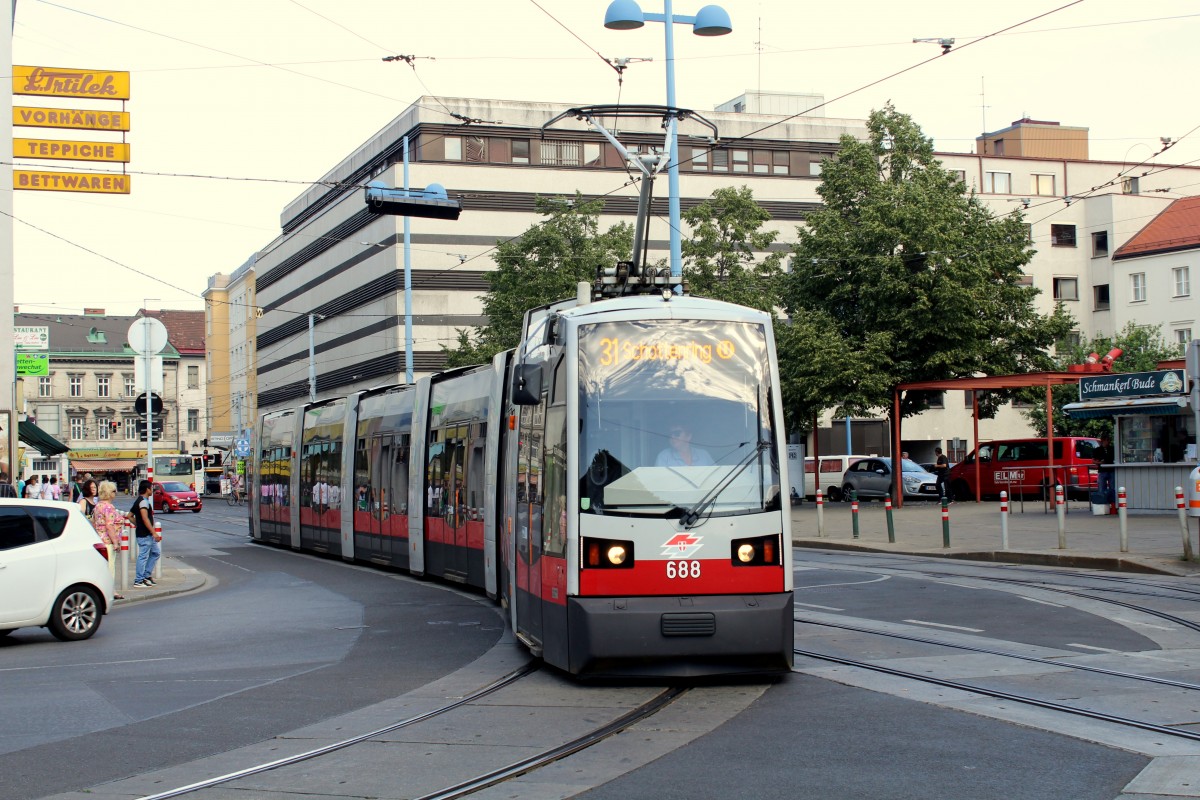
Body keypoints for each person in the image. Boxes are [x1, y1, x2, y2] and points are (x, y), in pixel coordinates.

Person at [92, 481, 125, 599]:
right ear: (109, 493)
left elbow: (94, 522)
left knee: (102, 566)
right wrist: (115, 542)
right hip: (108, 541)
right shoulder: (109, 507)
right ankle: (111, 590)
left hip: (99, 539)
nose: (115, 494)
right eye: (113, 491)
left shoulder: (98, 506)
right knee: (110, 566)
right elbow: (109, 525)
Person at [130, 479, 161, 588]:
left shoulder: (139, 501)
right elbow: (145, 518)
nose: (152, 490)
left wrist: (138, 523)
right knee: (143, 556)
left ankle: (146, 576)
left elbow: (129, 516)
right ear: (147, 489)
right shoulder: (143, 502)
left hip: (145, 533)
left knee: (156, 552)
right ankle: (139, 580)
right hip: (145, 535)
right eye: (151, 488)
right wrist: (154, 533)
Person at [1094, 435, 1115, 504]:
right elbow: (1093, 461)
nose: (1108, 442)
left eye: (1109, 440)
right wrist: (1100, 462)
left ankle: (1112, 503)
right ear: (1103, 440)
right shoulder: (1098, 450)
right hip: (1102, 470)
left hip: (1111, 470)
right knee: (1102, 487)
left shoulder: (1112, 449)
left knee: (1112, 488)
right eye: (1107, 440)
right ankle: (1103, 503)